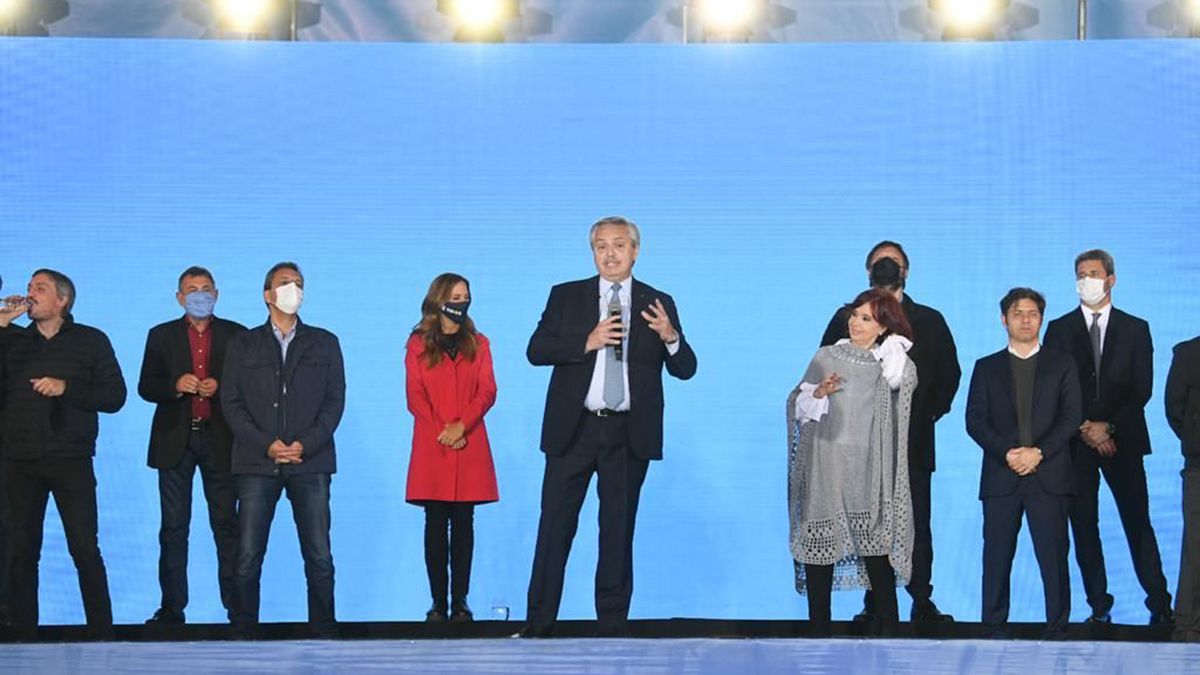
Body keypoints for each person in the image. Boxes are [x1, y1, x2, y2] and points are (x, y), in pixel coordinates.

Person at [520, 216, 697, 638]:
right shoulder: (566, 297)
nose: (610, 253)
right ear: (592, 251)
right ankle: (539, 623)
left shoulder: (658, 300)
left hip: (627, 433)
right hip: (574, 430)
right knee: (554, 527)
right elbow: (536, 350)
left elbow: (686, 368)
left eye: (619, 245)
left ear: (636, 251)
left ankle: (612, 626)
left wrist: (671, 336)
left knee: (617, 531)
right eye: (602, 246)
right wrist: (587, 340)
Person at [819, 241, 960, 623]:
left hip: (912, 443)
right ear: (868, 271)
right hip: (859, 445)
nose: (886, 267)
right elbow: (825, 368)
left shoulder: (929, 319)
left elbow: (949, 376)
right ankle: (874, 603)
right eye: (879, 263)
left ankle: (922, 601)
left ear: (907, 271)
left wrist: (923, 415)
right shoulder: (846, 318)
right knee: (868, 522)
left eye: (893, 263)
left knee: (918, 525)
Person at [1043, 249, 1172, 625]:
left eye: (1094, 273)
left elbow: (1141, 389)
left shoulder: (1136, 328)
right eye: (1081, 274)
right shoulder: (1060, 329)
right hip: (1075, 444)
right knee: (1084, 525)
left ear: (1111, 279)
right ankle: (1099, 606)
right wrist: (1086, 427)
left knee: (1138, 522)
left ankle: (1160, 604)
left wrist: (1108, 427)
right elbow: (1057, 388)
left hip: (1124, 441)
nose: (1087, 280)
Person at [220, 262, 346, 638]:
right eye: (285, 283)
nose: (294, 289)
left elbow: (333, 402)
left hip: (312, 462)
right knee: (247, 555)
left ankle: (323, 629)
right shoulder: (243, 344)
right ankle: (243, 629)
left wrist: (304, 444)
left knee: (319, 555)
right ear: (267, 294)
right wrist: (267, 444)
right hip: (257, 462)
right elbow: (231, 402)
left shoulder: (324, 342)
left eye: (299, 284)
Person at [0, 269, 127, 641]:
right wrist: (2, 327)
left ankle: (102, 633)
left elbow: (114, 397)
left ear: (62, 300)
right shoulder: (12, 341)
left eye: (40, 288)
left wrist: (66, 388)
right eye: (28, 288)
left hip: (71, 459)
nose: (30, 293)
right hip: (18, 460)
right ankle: (23, 635)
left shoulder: (91, 341)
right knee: (22, 551)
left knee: (85, 548)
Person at [789, 288, 916, 636]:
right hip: (826, 466)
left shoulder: (890, 361)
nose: (856, 323)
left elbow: (903, 384)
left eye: (866, 318)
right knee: (821, 552)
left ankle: (891, 633)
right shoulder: (828, 356)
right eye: (855, 315)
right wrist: (818, 393)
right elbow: (797, 406)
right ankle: (819, 632)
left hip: (868, 471)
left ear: (883, 326)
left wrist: (893, 349)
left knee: (876, 553)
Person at [966, 288, 1081, 640]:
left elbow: (1071, 415)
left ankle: (1057, 627)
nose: (1026, 319)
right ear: (1004, 319)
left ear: (1042, 319)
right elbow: (975, 420)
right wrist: (1008, 453)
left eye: (1033, 313)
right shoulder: (986, 367)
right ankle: (993, 625)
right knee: (996, 558)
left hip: (1049, 474)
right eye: (1018, 313)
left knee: (1054, 558)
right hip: (1002, 476)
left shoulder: (1062, 364)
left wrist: (1038, 452)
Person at [138, 266, 246, 625]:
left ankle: (238, 607)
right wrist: (174, 384)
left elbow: (250, 387)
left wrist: (224, 385)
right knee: (173, 528)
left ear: (216, 293)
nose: (200, 294)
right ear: (179, 297)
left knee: (227, 525)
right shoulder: (160, 335)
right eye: (192, 289)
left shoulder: (238, 335)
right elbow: (145, 386)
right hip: (174, 441)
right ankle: (172, 610)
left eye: (206, 288)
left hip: (221, 439)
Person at [404, 273, 499, 623]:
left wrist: (463, 425)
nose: (461, 302)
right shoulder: (417, 343)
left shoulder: (480, 342)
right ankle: (436, 602)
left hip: (469, 442)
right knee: (434, 523)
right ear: (438, 299)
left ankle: (460, 602)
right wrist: (442, 430)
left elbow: (487, 391)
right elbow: (415, 395)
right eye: (454, 296)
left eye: (465, 296)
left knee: (463, 524)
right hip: (433, 445)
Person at [1167, 334, 1200, 641]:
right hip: (1199, 466)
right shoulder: (1189, 352)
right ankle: (1189, 626)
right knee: (1195, 546)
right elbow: (1175, 409)